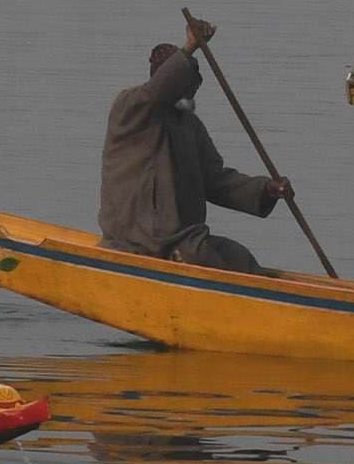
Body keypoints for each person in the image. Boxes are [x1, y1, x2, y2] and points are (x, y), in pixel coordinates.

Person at [99, 14, 291, 272]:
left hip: (184, 237)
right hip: (139, 241)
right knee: (201, 256)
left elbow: (215, 180)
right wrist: (189, 47)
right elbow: (159, 88)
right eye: (181, 84)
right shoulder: (131, 108)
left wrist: (266, 189)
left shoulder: (189, 125)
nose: (188, 92)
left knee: (238, 257)